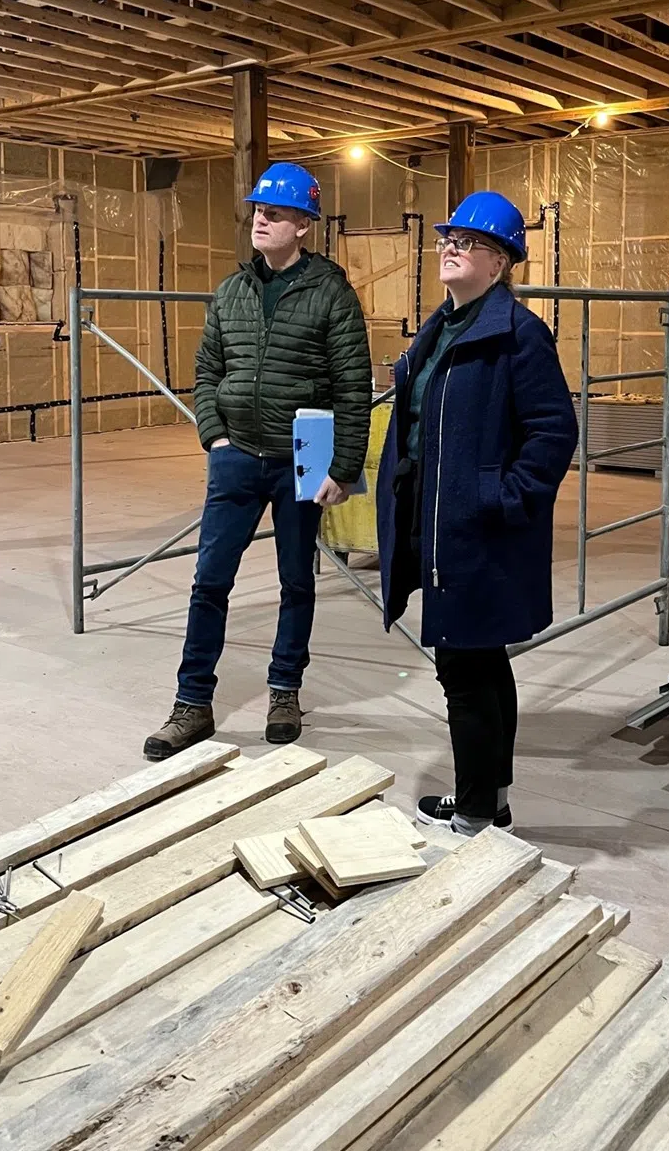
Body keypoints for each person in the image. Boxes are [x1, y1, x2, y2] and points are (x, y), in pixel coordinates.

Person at [145, 162, 371, 759]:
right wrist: (214, 436)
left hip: (301, 460)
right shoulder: (232, 291)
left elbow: (353, 386)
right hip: (237, 457)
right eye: (258, 212)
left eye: (274, 213)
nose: (260, 221)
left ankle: (284, 692)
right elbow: (206, 370)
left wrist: (343, 468)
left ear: (303, 225)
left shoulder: (332, 294)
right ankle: (192, 703)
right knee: (209, 580)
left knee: (296, 580)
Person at [376, 191, 578, 836]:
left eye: (469, 242)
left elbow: (553, 431)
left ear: (500, 263)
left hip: (477, 530)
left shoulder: (519, 334)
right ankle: (492, 802)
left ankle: (472, 816)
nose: (451, 249)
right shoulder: (440, 328)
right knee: (483, 662)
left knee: (464, 669)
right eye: (448, 239)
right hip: (436, 520)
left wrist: (501, 498)